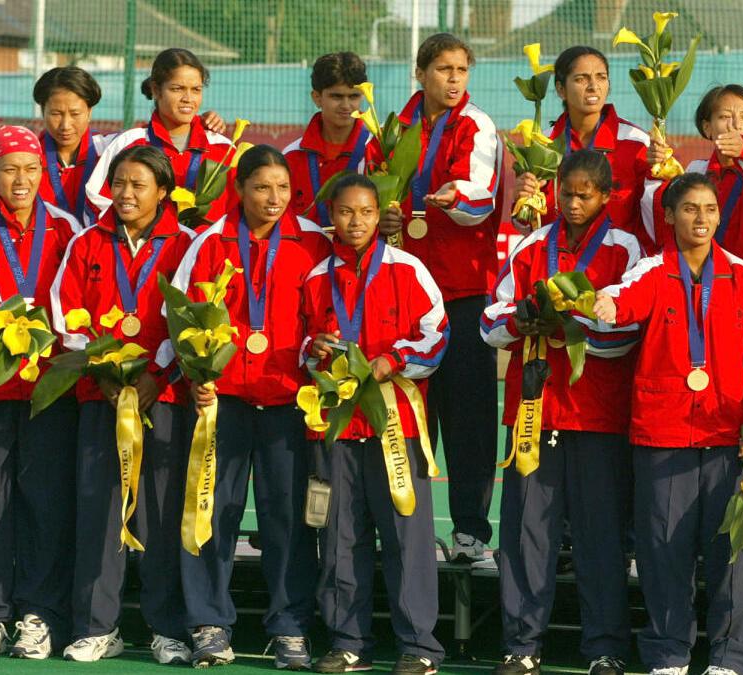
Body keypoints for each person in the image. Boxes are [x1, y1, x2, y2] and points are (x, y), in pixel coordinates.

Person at [593, 172, 743, 675]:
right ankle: (668, 653)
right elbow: (622, 300)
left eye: (708, 209)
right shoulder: (652, 271)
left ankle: (732, 657)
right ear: (669, 216)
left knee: (732, 555)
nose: (700, 219)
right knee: (663, 551)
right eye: (689, 209)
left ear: (719, 216)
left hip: (729, 435)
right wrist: (607, 304)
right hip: (663, 433)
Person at [170, 145, 331, 669]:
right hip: (225, 401)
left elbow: (326, 316)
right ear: (239, 189)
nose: (274, 198)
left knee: (288, 518)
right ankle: (208, 623)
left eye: (283, 188)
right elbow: (183, 316)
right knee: (212, 513)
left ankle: (290, 628)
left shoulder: (311, 242)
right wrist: (199, 373)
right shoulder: (210, 241)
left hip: (289, 402)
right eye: (262, 187)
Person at [482, 150, 642, 675]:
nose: (573, 204)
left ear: (606, 196)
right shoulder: (530, 244)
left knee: (600, 534)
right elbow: (490, 320)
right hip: (534, 410)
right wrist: (523, 320)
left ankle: (605, 647)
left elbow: (627, 332)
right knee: (527, 533)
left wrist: (572, 324)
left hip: (598, 413)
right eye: (565, 193)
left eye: (584, 194)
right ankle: (521, 644)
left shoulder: (625, 248)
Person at [49, 145, 196, 664]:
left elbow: (194, 322)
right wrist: (101, 369)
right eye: (119, 183)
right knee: (99, 511)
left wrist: (158, 377)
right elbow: (66, 312)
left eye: (139, 185)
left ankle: (167, 628)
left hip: (163, 399)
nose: (127, 194)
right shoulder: (88, 242)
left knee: (159, 512)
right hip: (101, 398)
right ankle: (96, 627)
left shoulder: (186, 244)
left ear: (163, 190)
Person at [301, 173, 448, 675]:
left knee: (407, 534)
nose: (356, 221)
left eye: (366, 212)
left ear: (379, 213)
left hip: (394, 425)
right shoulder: (316, 277)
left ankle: (419, 646)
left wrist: (393, 359)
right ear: (333, 217)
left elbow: (436, 336)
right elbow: (302, 344)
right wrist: (313, 352)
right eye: (346, 212)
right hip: (337, 426)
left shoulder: (410, 269)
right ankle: (348, 641)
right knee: (340, 535)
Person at [0, 125, 84, 658]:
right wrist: (7, 319)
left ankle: (38, 613)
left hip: (49, 387)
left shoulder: (68, 227)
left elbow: (73, 292)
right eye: (10, 169)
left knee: (45, 502)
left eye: (31, 168)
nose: (21, 179)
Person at [651, 84, 743, 530]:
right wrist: (657, 176)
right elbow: (659, 223)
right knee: (706, 428)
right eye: (724, 118)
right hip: (697, 320)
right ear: (705, 127)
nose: (734, 126)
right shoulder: (693, 171)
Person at [381, 32, 502, 563]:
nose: (454, 81)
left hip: (464, 290)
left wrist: (453, 197)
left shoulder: (478, 126)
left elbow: (481, 196)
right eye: (443, 70)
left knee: (468, 414)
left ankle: (471, 532)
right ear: (420, 73)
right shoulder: (393, 127)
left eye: (461, 71)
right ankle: (411, 526)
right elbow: (375, 185)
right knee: (410, 413)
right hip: (404, 290)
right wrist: (383, 211)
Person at [509, 46, 656, 252]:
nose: (593, 86)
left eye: (601, 77)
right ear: (561, 89)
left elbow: (656, 219)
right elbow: (528, 226)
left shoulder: (636, 142)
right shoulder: (542, 143)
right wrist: (522, 199)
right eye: (581, 79)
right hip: (556, 264)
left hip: (619, 269)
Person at [87, 48, 235, 227]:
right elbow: (96, 202)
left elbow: (238, 212)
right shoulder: (130, 144)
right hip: (144, 253)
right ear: (156, 90)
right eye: (177, 89)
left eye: (196, 90)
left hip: (205, 253)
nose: (188, 98)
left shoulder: (223, 149)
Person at [283, 52, 383, 230]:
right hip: (309, 254)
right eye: (336, 96)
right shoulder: (292, 156)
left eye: (353, 96)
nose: (346, 105)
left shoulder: (378, 150)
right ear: (317, 98)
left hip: (363, 255)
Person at [33, 66, 112, 225]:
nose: (65, 125)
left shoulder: (107, 153)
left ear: (89, 112)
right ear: (43, 111)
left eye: (75, 114)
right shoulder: (28, 157)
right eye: (56, 114)